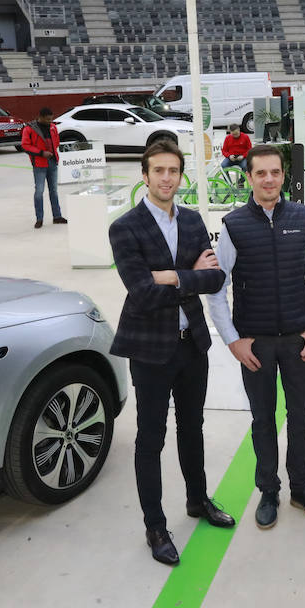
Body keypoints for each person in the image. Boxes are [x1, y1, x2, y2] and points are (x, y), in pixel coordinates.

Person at [110, 141, 235, 566]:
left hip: (191, 345)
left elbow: (215, 279)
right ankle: (155, 525)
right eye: (158, 170)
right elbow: (142, 294)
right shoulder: (125, 227)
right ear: (145, 176)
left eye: (173, 171)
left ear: (181, 177)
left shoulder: (195, 221)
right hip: (149, 350)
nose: (166, 178)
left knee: (192, 428)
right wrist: (186, 277)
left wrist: (166, 276)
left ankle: (197, 501)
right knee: (150, 438)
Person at [208, 144, 305, 530]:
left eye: (275, 172)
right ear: (248, 178)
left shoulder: (302, 216)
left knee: (300, 417)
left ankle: (301, 487)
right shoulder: (234, 225)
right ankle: (268, 490)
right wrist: (232, 339)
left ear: (284, 176)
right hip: (256, 344)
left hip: (298, 341)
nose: (268, 179)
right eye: (260, 173)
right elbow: (217, 286)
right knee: (263, 420)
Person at [22, 107, 65, 229]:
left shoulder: (53, 127)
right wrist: (41, 153)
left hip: (52, 163)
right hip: (39, 164)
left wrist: (52, 154)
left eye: (51, 119)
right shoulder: (29, 129)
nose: (50, 121)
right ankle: (39, 219)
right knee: (39, 192)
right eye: (47, 119)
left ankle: (57, 216)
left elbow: (56, 142)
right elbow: (25, 146)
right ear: (40, 117)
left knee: (54, 191)